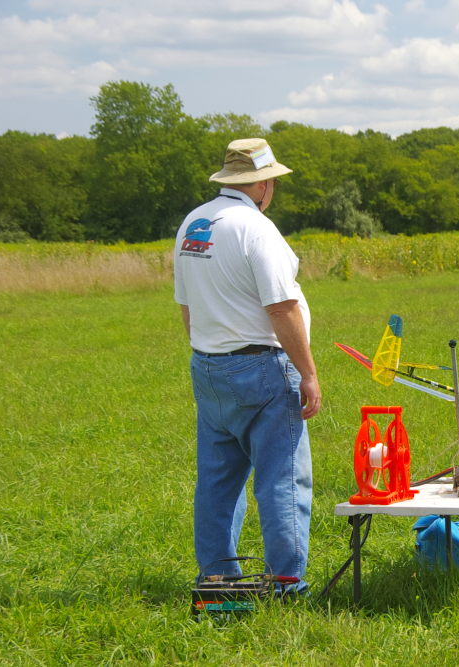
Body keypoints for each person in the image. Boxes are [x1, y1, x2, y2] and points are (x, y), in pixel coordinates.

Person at [174, 138, 321, 592]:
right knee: (282, 478)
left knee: (217, 482)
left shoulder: (193, 223)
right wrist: (310, 375)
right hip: (263, 366)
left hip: (208, 365)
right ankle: (286, 584)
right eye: (271, 180)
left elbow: (186, 306)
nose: (272, 188)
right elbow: (282, 307)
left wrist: (212, 352)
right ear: (260, 185)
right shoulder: (256, 229)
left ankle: (216, 580)